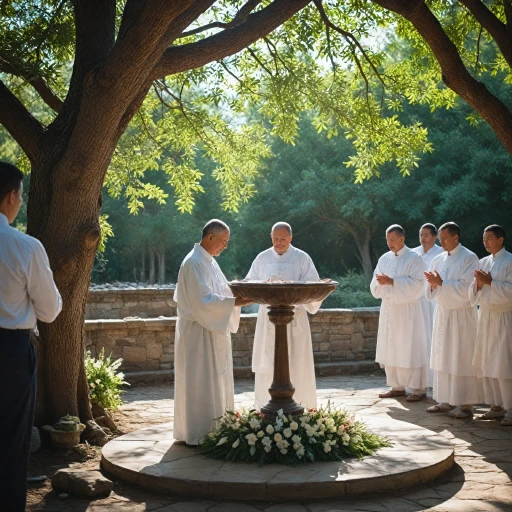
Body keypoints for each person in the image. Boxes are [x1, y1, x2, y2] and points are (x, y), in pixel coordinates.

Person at [0, 162, 62, 512]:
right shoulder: (24, 247)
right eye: (20, 195)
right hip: (9, 351)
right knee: (11, 437)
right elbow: (50, 310)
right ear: (11, 196)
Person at [173, 219, 250, 445]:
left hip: (213, 328)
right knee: (200, 381)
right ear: (209, 237)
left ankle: (218, 426)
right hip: (199, 333)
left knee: (216, 380)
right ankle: (200, 431)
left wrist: (243, 290)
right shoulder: (194, 262)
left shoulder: (209, 261)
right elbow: (204, 302)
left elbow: (222, 290)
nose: (224, 246)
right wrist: (236, 302)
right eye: (223, 241)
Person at [245, 222, 322, 409]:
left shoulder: (302, 258)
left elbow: (313, 287)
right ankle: (265, 409)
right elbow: (249, 283)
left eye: (283, 239)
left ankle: (302, 408)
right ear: (271, 237)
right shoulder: (262, 258)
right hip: (268, 320)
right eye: (276, 238)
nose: (279, 242)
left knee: (297, 364)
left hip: (295, 318)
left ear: (291, 238)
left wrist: (292, 284)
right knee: (269, 366)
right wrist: (265, 283)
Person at [425, 221, 483, 418]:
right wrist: (433, 285)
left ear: (456, 237)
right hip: (443, 313)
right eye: (439, 239)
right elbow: (430, 288)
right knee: (443, 357)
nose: (441, 242)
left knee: (461, 357)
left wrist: (441, 283)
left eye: (444, 238)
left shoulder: (469, 258)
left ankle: (466, 404)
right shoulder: (438, 259)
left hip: (461, 315)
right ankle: (445, 400)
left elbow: (468, 288)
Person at [370, 224, 429, 401]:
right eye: (387, 240)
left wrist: (393, 282)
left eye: (393, 240)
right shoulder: (384, 259)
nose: (389, 243)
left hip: (408, 310)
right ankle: (396, 386)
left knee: (409, 347)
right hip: (389, 309)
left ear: (402, 239)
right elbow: (374, 282)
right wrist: (380, 284)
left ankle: (417, 388)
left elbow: (419, 284)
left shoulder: (415, 258)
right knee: (392, 346)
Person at [469, 225, 512, 426]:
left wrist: (490, 283)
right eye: (483, 239)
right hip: (486, 316)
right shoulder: (483, 262)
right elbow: (473, 292)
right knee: (487, 361)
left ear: (501, 239)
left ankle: (510, 407)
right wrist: (478, 285)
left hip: (504, 317)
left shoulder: (510, 261)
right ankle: (496, 405)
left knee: (504, 362)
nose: (485, 242)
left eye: (489, 238)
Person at [412, 223, 444, 387]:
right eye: (421, 235)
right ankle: (418, 382)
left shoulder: (441, 254)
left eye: (426, 235)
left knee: (432, 339)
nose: (423, 238)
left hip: (433, 302)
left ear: (434, 237)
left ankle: (434, 381)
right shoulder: (413, 253)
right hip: (416, 303)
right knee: (418, 340)